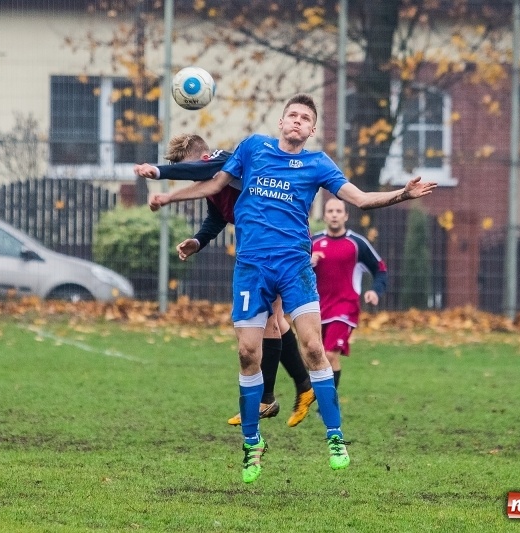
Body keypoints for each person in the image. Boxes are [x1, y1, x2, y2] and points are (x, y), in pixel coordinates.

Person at [139, 94, 437, 483]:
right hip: (251, 267)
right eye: (291, 115)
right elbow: (214, 183)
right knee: (247, 353)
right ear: (281, 122)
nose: (297, 121)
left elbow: (361, 200)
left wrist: (401, 194)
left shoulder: (317, 164)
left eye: (305, 118)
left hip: (294, 266)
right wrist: (167, 192)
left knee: (315, 347)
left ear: (311, 130)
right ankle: (252, 444)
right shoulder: (252, 148)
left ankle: (335, 437)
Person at [134, 134, 316, 428]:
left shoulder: (222, 160)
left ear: (201, 159)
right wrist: (198, 240)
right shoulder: (214, 185)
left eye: (190, 171)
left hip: (283, 244)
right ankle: (303, 387)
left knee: (270, 321)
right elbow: (217, 218)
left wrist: (158, 172)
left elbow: (197, 171)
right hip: (261, 249)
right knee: (276, 321)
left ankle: (268, 399)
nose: (192, 181)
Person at [311, 197, 388, 390]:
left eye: (338, 211)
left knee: (330, 354)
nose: (334, 215)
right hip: (317, 308)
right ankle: (321, 397)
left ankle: (326, 404)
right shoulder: (313, 243)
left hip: (345, 307)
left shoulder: (357, 244)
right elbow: (295, 271)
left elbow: (380, 269)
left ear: (345, 216)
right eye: (330, 211)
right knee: (315, 356)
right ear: (325, 216)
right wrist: (308, 263)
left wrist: (375, 290)